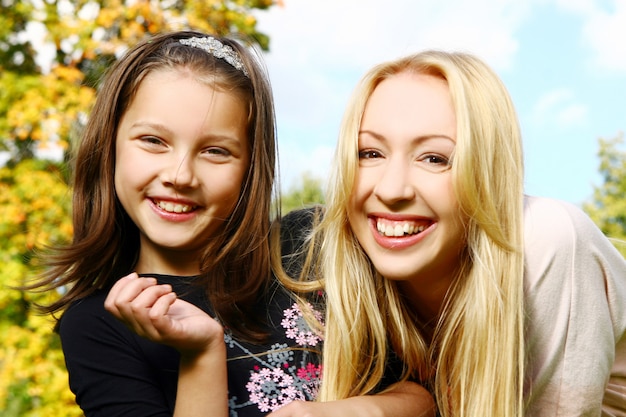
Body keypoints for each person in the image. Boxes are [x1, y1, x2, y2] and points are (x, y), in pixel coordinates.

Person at [30, 30, 435, 417]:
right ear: (109, 146)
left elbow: (422, 393)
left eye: (215, 151)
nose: (181, 175)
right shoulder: (98, 326)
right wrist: (202, 353)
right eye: (154, 141)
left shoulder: (308, 249)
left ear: (250, 168)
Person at [291, 50, 626, 416]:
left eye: (435, 158)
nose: (391, 189)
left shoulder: (547, 239)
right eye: (370, 153)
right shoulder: (337, 260)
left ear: (486, 173)